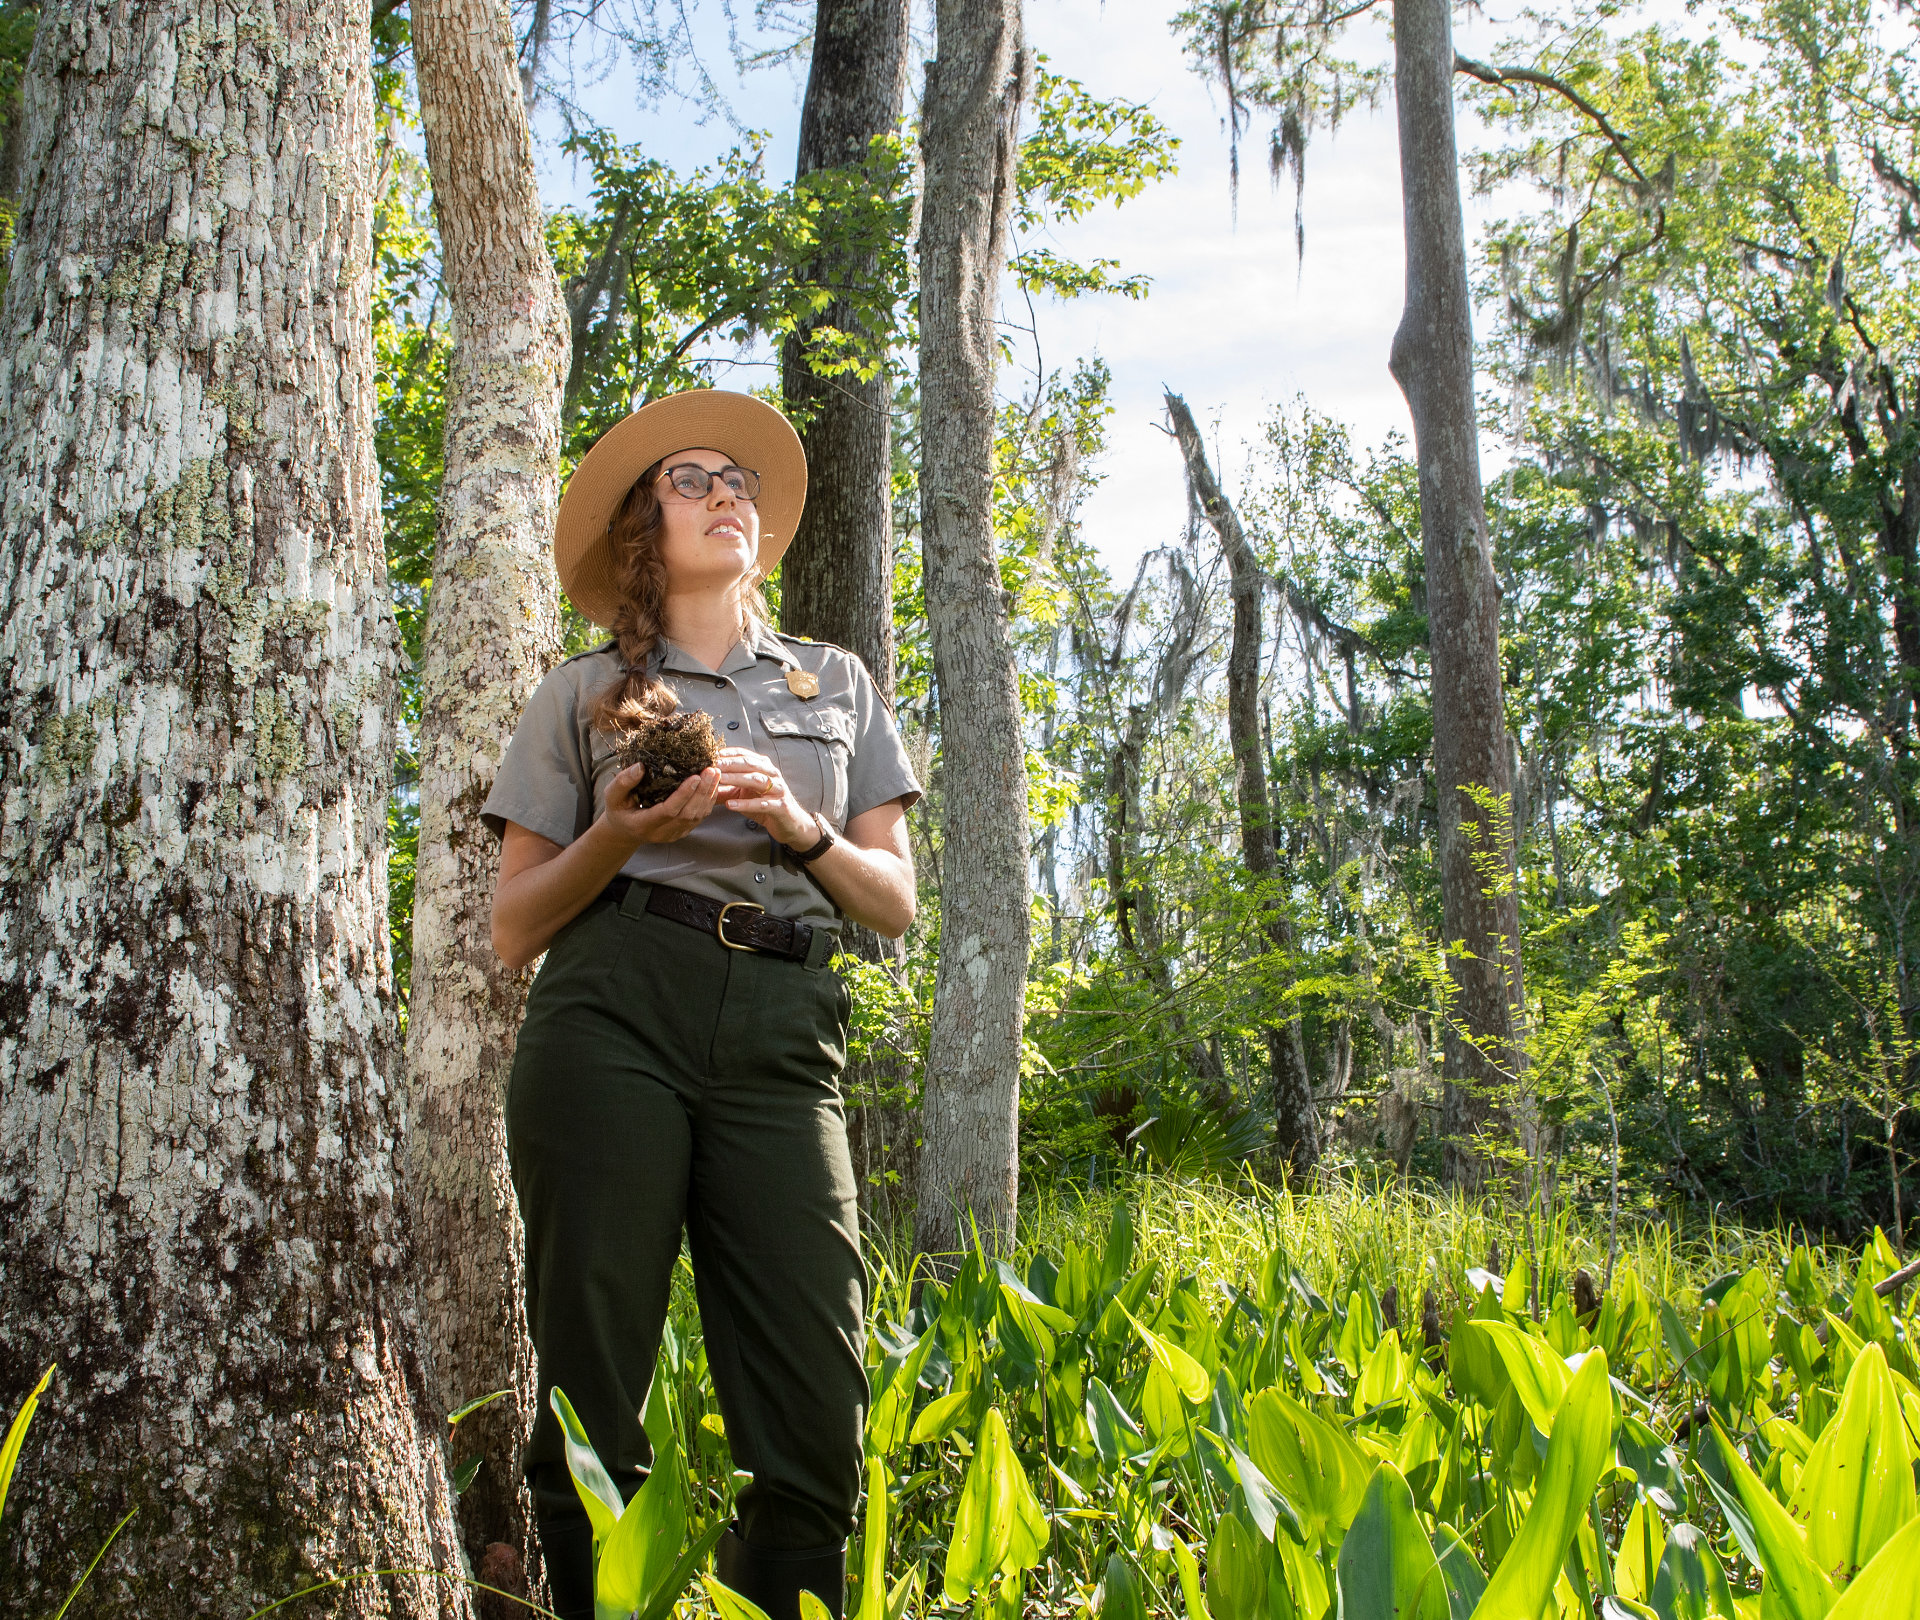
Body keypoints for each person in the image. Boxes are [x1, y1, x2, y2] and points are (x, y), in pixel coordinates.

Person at [481, 390, 920, 1620]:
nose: (728, 492)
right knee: (594, 1378)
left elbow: (892, 901)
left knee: (815, 1400)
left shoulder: (835, 682)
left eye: (739, 479)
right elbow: (513, 927)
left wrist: (803, 823)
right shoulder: (580, 693)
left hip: (785, 1028)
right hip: (615, 1011)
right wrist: (618, 836)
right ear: (641, 524)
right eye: (692, 479)